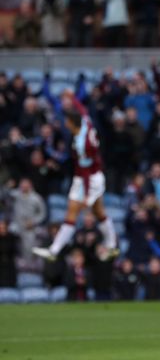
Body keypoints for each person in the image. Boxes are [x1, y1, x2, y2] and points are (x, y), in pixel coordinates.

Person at [33, 91, 118, 261]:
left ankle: (54, 250)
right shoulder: (86, 123)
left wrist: (87, 194)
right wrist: (72, 98)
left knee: (78, 213)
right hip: (91, 175)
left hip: (90, 179)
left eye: (67, 122)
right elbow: (83, 111)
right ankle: (111, 245)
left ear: (72, 124)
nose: (65, 124)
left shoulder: (81, 146)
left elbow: (86, 172)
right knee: (98, 213)